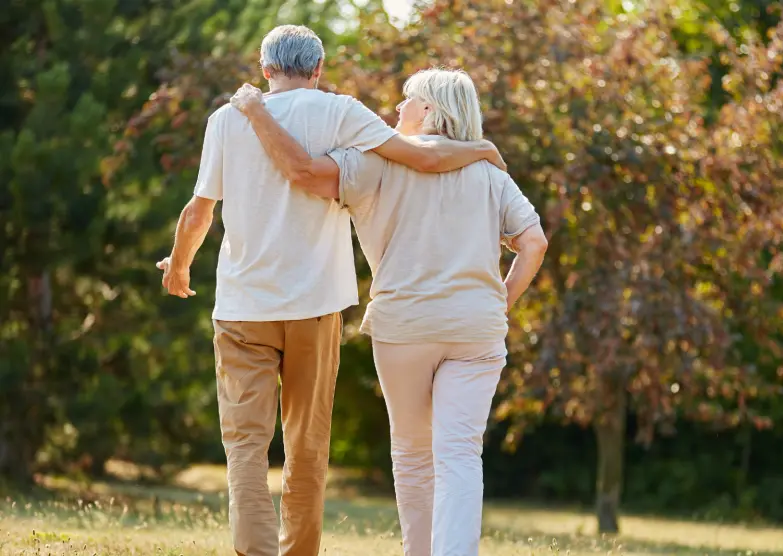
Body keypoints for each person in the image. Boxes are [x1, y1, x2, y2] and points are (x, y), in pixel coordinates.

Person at [156, 26, 506, 556]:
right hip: (315, 308)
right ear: (318, 68)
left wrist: (178, 267)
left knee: (245, 447)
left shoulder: (226, 120)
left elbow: (199, 210)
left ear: (264, 67)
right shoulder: (341, 112)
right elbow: (425, 158)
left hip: (243, 309)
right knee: (307, 446)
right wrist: (482, 148)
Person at [228, 68, 548, 556]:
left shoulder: (374, 165)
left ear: (429, 110)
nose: (396, 110)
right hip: (477, 330)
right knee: (461, 454)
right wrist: (499, 303)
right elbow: (534, 243)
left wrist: (257, 115)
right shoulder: (490, 174)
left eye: (407, 101)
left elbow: (308, 175)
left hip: (405, 328)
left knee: (414, 454)